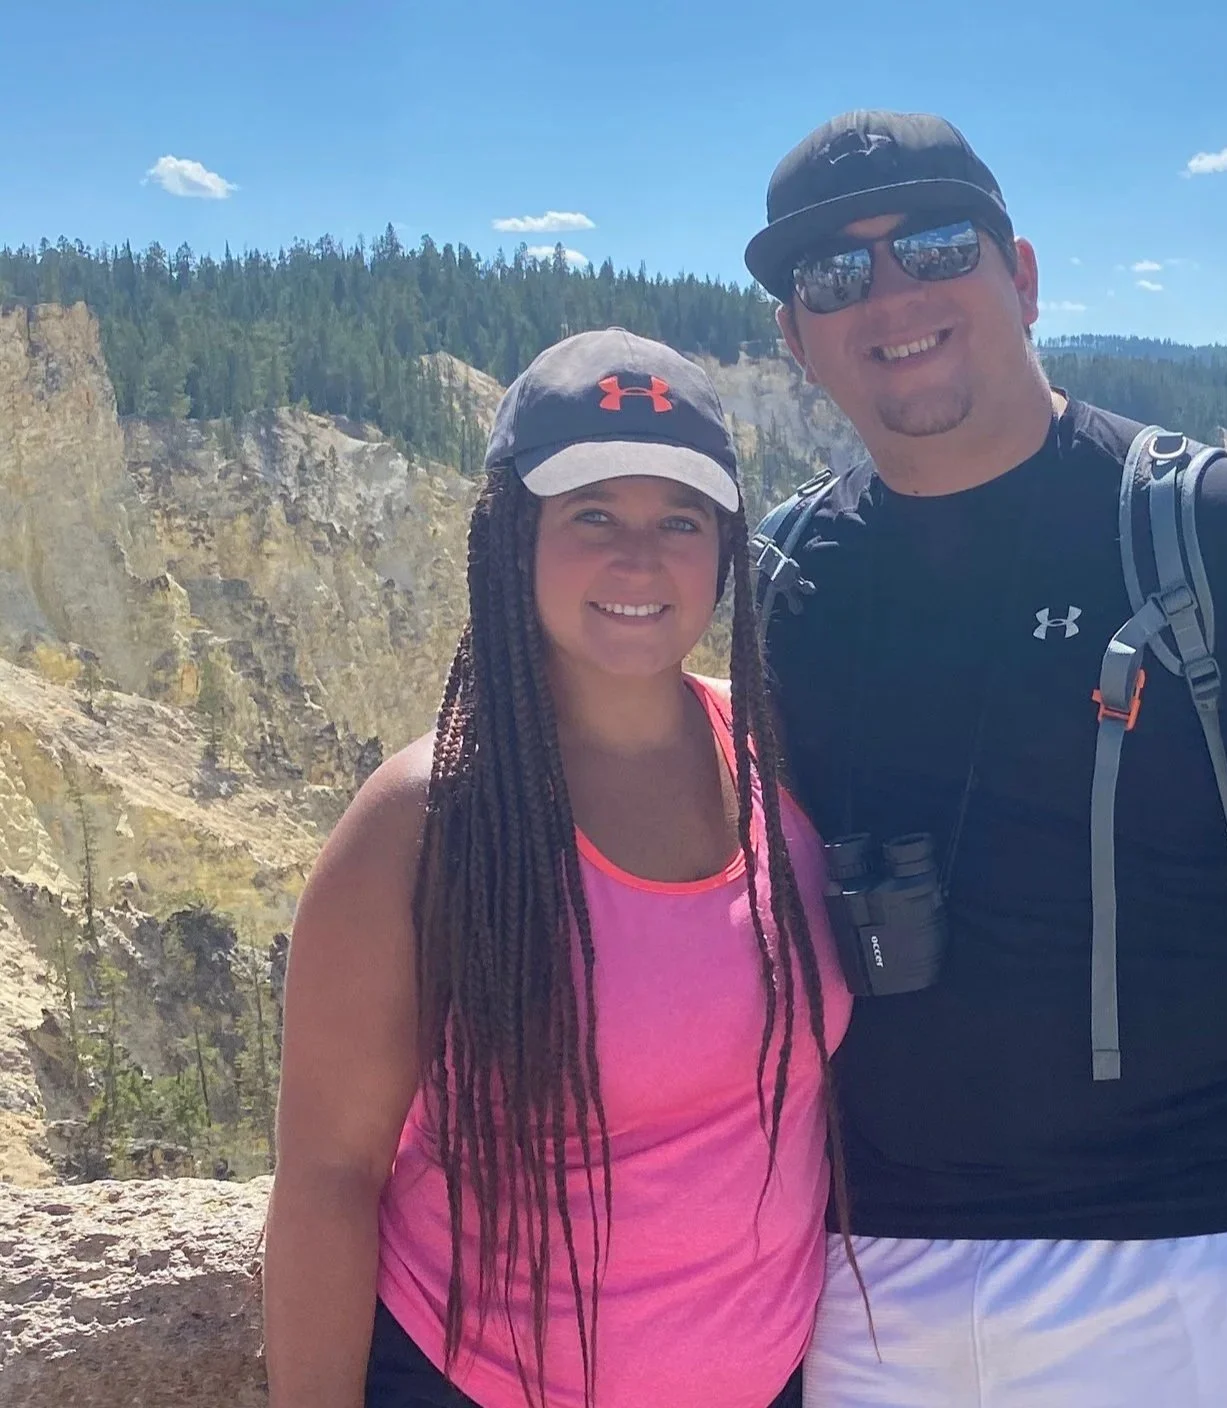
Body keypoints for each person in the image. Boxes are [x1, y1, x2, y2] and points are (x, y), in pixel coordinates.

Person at [744, 111, 1227, 1408]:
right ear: (796, 337)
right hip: (863, 1288)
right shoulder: (783, 584)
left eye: (934, 246)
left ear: (1021, 275)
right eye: (832, 276)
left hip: (1189, 1264)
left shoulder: (1212, 535)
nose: (890, 294)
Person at [262, 329, 850, 1408]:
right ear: (512, 538)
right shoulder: (427, 823)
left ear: (723, 550)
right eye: (592, 516)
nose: (640, 557)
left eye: (679, 518)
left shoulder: (780, 761)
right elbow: (329, 1180)